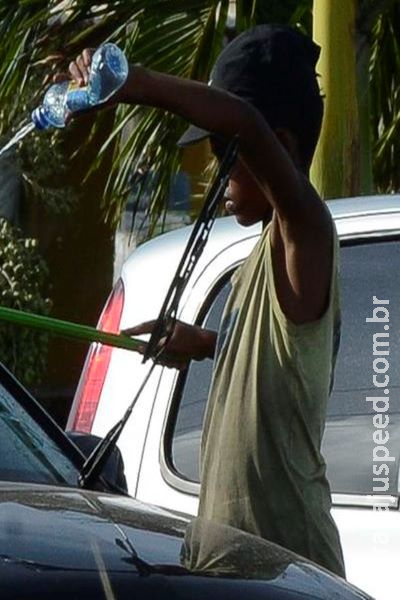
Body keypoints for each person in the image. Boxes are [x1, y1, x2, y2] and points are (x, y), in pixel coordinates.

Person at [61, 25, 345, 576]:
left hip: (290, 574)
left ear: (278, 149)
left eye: (223, 154)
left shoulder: (306, 233)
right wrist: (208, 343)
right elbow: (282, 360)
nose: (219, 174)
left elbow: (245, 124)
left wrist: (132, 83)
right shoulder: (260, 256)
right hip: (235, 569)